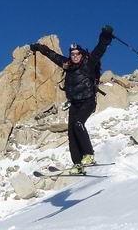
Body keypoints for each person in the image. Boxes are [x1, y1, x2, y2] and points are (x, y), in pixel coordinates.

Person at [30, 25, 113, 174]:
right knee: (71, 134)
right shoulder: (67, 65)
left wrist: (105, 37)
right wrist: (39, 48)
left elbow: (99, 49)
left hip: (88, 101)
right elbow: (52, 54)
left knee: (79, 124)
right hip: (74, 103)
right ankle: (77, 164)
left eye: (77, 54)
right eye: (72, 54)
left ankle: (89, 155)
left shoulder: (88, 63)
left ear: (81, 54)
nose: (75, 56)